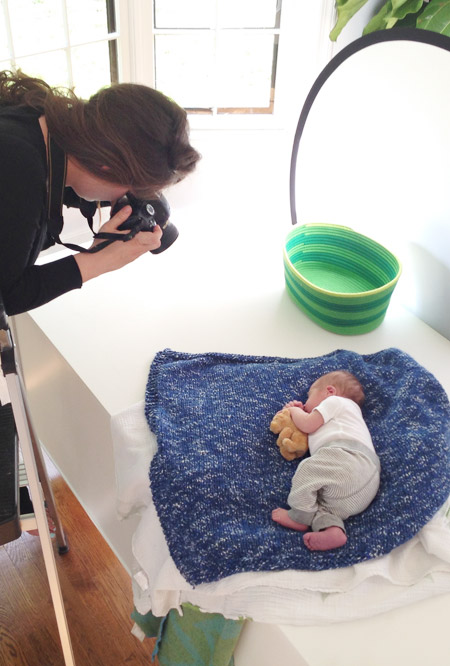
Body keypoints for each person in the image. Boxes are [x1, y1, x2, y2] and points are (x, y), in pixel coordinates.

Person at [0, 70, 201, 315]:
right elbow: (7, 296)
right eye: (134, 188)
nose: (122, 198)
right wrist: (100, 260)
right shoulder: (17, 167)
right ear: (107, 164)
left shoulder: (37, 119)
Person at [272, 370, 380, 551]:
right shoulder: (349, 417)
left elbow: (307, 424)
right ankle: (333, 529)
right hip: (365, 485)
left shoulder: (336, 402)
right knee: (322, 504)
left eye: (309, 396)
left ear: (330, 391)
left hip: (348, 458)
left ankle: (299, 516)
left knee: (308, 470)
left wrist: (294, 410)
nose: (307, 403)